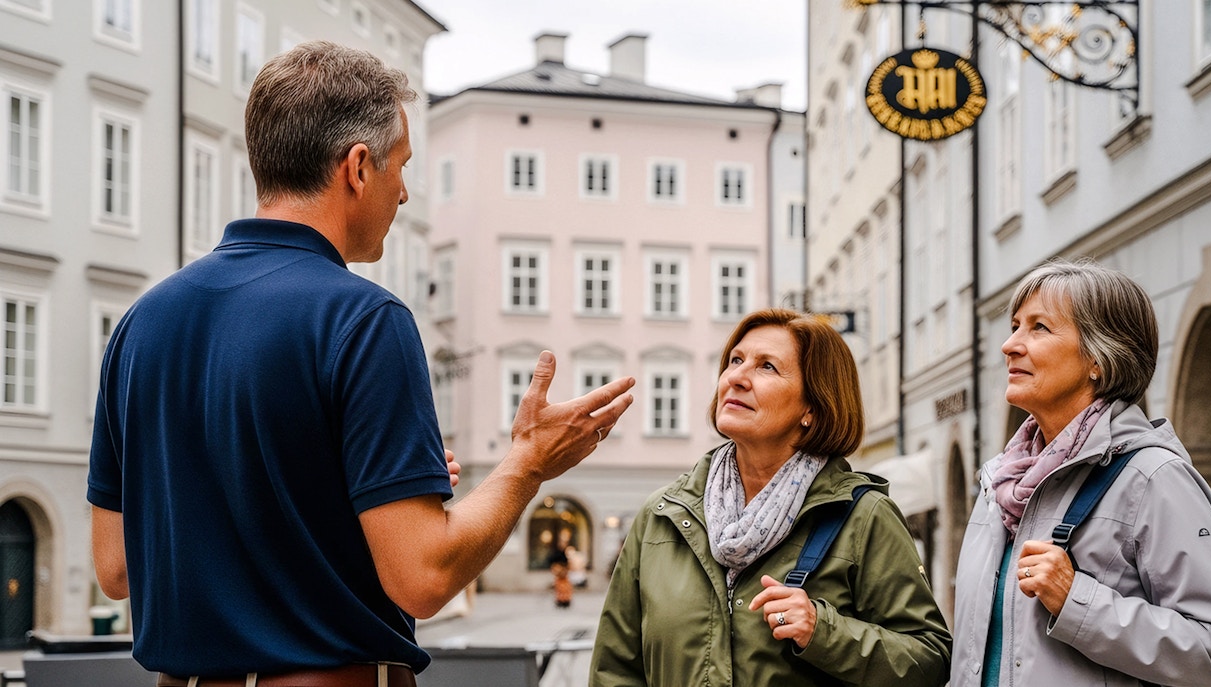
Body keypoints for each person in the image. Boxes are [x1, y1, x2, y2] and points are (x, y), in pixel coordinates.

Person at [87, 41, 635, 687]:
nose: (404, 193)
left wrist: (347, 498)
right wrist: (527, 462)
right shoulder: (363, 318)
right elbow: (423, 579)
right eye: (400, 166)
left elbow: (116, 567)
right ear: (356, 167)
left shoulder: (144, 321)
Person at [590, 308, 951, 686]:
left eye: (767, 367)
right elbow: (615, 669)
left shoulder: (862, 516)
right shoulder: (663, 515)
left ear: (812, 406)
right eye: (735, 360)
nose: (737, 378)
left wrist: (822, 631)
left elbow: (930, 660)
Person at [950, 259, 1211, 687]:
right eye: (1016, 325)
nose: (1010, 345)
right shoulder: (999, 485)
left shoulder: (1154, 478)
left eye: (1039, 327)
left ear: (1099, 358)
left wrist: (1078, 601)